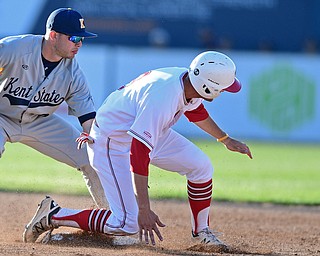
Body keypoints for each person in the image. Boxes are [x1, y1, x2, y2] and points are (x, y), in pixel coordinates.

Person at [23, 51, 252, 248]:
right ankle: (53, 215)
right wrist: (144, 208)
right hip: (111, 142)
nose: (224, 91)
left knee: (201, 167)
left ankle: (201, 233)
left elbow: (194, 110)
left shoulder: (187, 81)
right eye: (222, 88)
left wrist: (224, 139)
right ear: (208, 86)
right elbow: (139, 153)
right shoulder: (163, 96)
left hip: (139, 131)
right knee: (126, 223)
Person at [0, 8, 108, 213]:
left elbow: (89, 123)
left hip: (39, 122)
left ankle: (113, 220)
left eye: (82, 39)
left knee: (92, 159)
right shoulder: (14, 49)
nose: (79, 44)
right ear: (53, 36)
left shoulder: (73, 74)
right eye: (74, 37)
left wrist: (103, 149)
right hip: (1, 116)